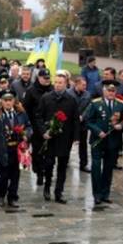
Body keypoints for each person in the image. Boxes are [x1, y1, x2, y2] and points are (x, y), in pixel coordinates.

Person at [37, 73, 79, 203]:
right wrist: (44, 131)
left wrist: (76, 138)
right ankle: (47, 188)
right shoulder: (46, 97)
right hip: (50, 138)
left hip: (64, 138)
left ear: (66, 84)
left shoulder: (71, 99)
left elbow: (75, 120)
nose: (57, 85)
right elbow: (38, 116)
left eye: (60, 82)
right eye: (56, 82)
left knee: (62, 165)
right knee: (49, 164)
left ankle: (59, 191)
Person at [0, 91, 32, 208]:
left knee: (16, 175)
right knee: (4, 175)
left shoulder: (21, 113)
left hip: (17, 150)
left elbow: (29, 126)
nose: (8, 102)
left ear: (13, 101)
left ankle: (12, 197)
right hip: (2, 150)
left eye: (10, 100)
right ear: (1, 101)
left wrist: (26, 134)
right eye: (5, 100)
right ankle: (0, 195)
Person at [85, 80, 123, 205]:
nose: (111, 93)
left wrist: (120, 125)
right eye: (109, 91)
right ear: (104, 91)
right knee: (96, 167)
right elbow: (88, 121)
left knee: (108, 168)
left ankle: (105, 193)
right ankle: (96, 194)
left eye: (113, 91)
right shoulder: (96, 103)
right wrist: (97, 131)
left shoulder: (120, 104)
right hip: (98, 140)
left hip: (113, 141)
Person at [22, 68, 53, 186]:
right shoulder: (31, 91)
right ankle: (39, 172)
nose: (46, 80)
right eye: (44, 78)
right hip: (35, 127)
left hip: (50, 126)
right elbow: (26, 109)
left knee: (49, 152)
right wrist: (28, 126)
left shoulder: (52, 89)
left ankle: (47, 172)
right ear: (38, 78)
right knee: (38, 152)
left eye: (48, 78)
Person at [68, 76, 91, 173]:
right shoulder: (68, 93)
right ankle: (65, 161)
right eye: (83, 85)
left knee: (83, 145)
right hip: (71, 123)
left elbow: (89, 107)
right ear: (77, 84)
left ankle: (84, 164)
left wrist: (83, 116)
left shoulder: (87, 94)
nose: (85, 86)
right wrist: (75, 117)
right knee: (67, 143)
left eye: (85, 85)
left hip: (82, 123)